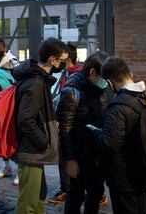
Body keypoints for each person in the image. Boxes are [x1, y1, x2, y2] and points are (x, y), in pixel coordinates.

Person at [12, 37, 68, 214]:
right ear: (53, 60)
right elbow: (25, 119)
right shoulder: (36, 82)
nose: (64, 64)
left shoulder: (38, 79)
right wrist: (43, 141)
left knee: (38, 195)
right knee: (29, 200)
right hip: (30, 149)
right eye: (63, 61)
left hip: (32, 149)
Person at [56, 51, 109, 214]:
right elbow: (64, 130)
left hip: (97, 154)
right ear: (93, 72)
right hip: (79, 155)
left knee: (95, 194)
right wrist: (70, 160)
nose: (106, 82)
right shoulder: (72, 92)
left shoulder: (101, 90)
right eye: (103, 77)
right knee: (75, 195)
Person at [97, 56, 146, 214]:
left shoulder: (119, 106)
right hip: (143, 170)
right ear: (130, 74)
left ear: (110, 82)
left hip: (124, 177)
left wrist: (97, 133)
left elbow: (109, 143)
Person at [49, 43, 83, 204]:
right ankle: (67, 189)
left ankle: (67, 190)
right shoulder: (66, 73)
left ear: (67, 59)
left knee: (68, 159)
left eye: (61, 58)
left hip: (73, 126)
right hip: (65, 123)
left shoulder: (78, 76)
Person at [0, 38, 19, 184]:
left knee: (13, 137)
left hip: (11, 104)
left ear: (4, 48)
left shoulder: (12, 63)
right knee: (2, 137)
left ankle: (19, 169)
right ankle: (6, 166)